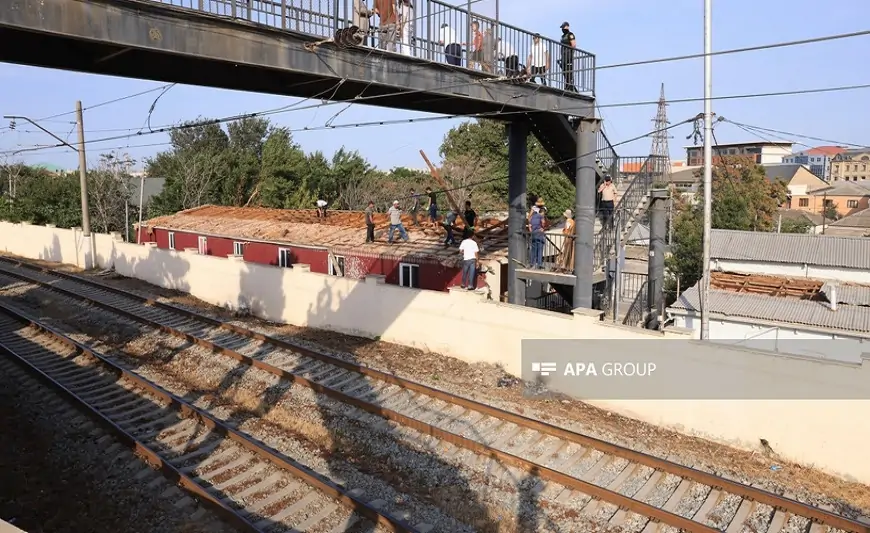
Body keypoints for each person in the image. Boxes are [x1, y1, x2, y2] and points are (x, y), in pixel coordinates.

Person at [528, 198, 547, 268]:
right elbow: (543, 222)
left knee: (533, 248)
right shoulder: (542, 212)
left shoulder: (533, 214)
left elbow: (529, 218)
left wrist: (530, 228)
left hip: (533, 232)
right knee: (540, 248)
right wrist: (542, 228)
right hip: (539, 232)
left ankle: (532, 262)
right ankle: (539, 264)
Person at [558, 22, 577, 92]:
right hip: (564, 55)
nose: (563, 29)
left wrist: (571, 53)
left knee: (569, 71)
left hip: (569, 55)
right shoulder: (563, 36)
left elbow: (573, 45)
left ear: (567, 27)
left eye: (564, 27)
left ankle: (569, 86)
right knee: (564, 71)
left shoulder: (570, 35)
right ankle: (567, 85)